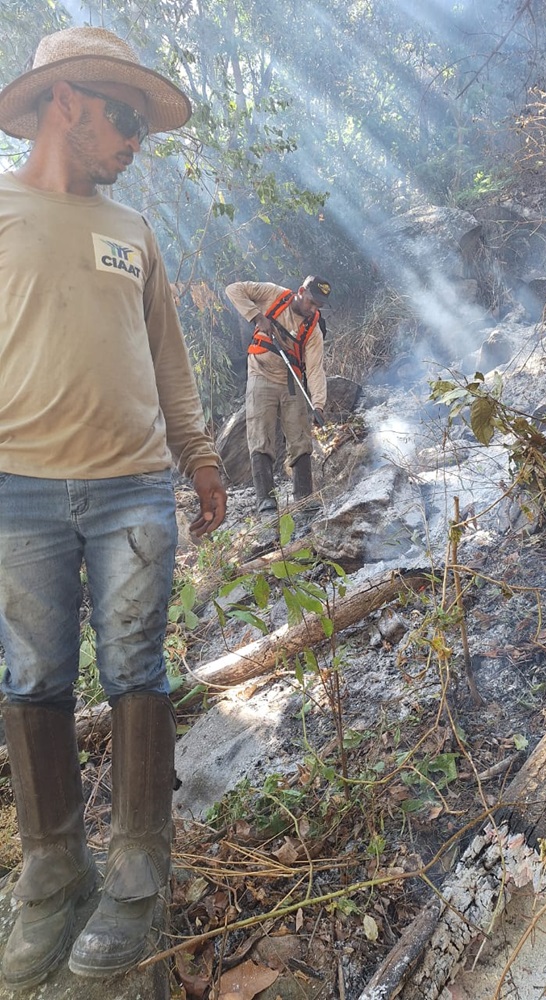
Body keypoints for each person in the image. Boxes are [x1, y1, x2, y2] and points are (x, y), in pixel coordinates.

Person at [0, 25, 227, 986]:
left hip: (136, 482)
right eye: (123, 118)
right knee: (33, 672)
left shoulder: (132, 232)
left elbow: (167, 356)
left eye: (141, 124)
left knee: (138, 662)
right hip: (19, 492)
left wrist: (202, 457)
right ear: (66, 103)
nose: (135, 139)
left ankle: (138, 871)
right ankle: (53, 872)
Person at [225, 275, 331, 516]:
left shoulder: (313, 328)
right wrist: (257, 316)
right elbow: (234, 288)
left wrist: (319, 405)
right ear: (301, 291)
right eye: (312, 302)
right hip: (260, 374)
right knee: (260, 435)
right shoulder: (274, 294)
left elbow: (315, 368)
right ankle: (266, 502)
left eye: (318, 306)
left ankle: (303, 499)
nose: (313, 309)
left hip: (291, 381)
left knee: (300, 438)